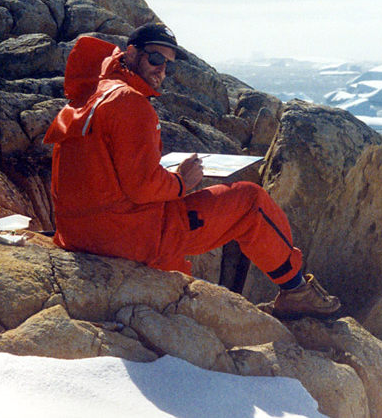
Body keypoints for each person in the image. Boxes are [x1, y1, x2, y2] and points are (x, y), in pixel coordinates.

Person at [44, 22, 340, 318]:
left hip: (78, 234)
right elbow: (142, 188)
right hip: (126, 238)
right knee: (250, 201)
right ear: (131, 53)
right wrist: (182, 181)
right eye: (155, 59)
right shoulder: (130, 103)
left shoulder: (91, 93)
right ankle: (296, 291)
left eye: (167, 65)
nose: (161, 70)